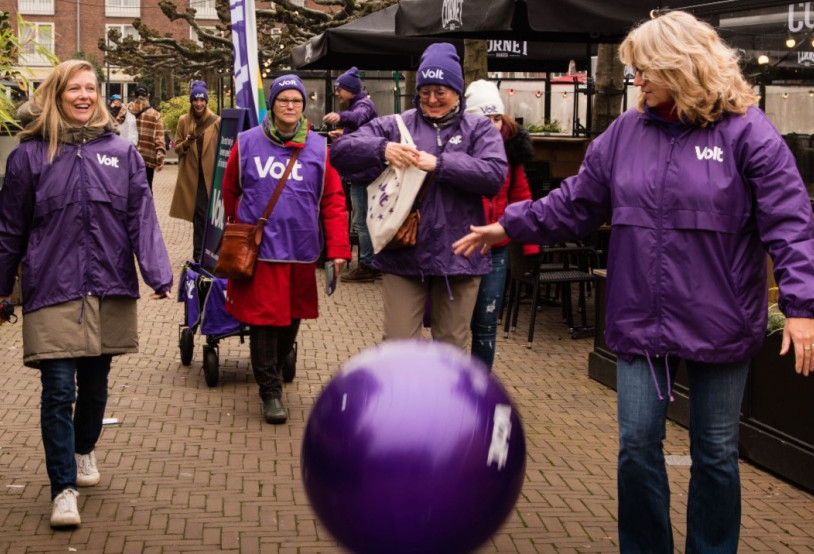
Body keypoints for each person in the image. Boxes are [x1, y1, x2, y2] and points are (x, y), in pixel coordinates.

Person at [453, 11, 814, 553]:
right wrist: (509, 226)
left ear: (682, 66)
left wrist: (802, 306)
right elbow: (575, 203)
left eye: (644, 70)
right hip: (640, 315)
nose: (636, 81)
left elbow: (790, 222)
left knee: (715, 451)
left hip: (720, 318)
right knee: (636, 447)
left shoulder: (747, 133)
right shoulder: (626, 131)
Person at [0, 60, 173, 528]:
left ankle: (83, 450)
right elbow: (10, 230)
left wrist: (158, 273)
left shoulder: (122, 152)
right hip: (51, 287)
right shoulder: (28, 157)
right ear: (55, 96)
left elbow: (141, 216)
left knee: (95, 387)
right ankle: (63, 490)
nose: (83, 96)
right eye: (73, 89)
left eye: (90, 88)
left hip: (108, 284)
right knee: (57, 390)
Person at [331, 43, 507, 349]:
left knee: (452, 348)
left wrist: (439, 164)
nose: (432, 99)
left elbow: (493, 175)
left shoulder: (479, 128)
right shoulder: (397, 125)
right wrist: (381, 149)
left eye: (441, 90)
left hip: (460, 256)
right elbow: (340, 152)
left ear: (457, 90)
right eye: (425, 90)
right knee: (399, 346)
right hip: (404, 254)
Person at [221, 74, 351, 425]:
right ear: (273, 105)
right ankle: (270, 390)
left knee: (291, 318)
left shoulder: (318, 149)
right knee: (264, 320)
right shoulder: (247, 142)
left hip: (301, 250)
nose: (290, 106)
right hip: (262, 252)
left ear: (303, 106)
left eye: (296, 101)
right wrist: (242, 230)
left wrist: (338, 248)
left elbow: (333, 201)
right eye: (283, 100)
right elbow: (230, 189)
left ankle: (274, 371)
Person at [463, 79, 537, 370]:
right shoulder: (459, 150)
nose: (493, 125)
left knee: (486, 323)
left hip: (497, 248)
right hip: (463, 247)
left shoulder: (512, 150)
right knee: (455, 325)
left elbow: (521, 196)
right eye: (485, 118)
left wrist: (530, 246)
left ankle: (481, 387)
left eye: (497, 118)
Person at [321, 67, 379, 282]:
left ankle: (367, 265)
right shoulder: (361, 104)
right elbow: (360, 129)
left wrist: (340, 117)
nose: (337, 94)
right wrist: (344, 135)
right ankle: (370, 262)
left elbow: (358, 117)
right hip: (363, 170)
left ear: (350, 90)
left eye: (340, 90)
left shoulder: (363, 105)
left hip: (363, 173)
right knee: (363, 219)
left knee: (361, 220)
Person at [169, 80, 221, 261]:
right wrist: (187, 143)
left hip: (210, 176)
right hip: (192, 177)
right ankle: (199, 254)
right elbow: (176, 148)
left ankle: (210, 252)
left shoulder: (216, 121)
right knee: (198, 216)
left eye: (202, 100)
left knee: (210, 216)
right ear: (191, 102)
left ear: (206, 101)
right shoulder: (184, 121)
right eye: (195, 100)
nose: (199, 103)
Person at [117, 85, 165, 191]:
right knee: (147, 189)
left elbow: (117, 129)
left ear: (134, 95)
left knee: (128, 189)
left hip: (128, 157)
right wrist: (160, 159)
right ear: (148, 96)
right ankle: (146, 207)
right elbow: (159, 138)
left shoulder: (125, 110)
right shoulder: (156, 115)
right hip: (147, 159)